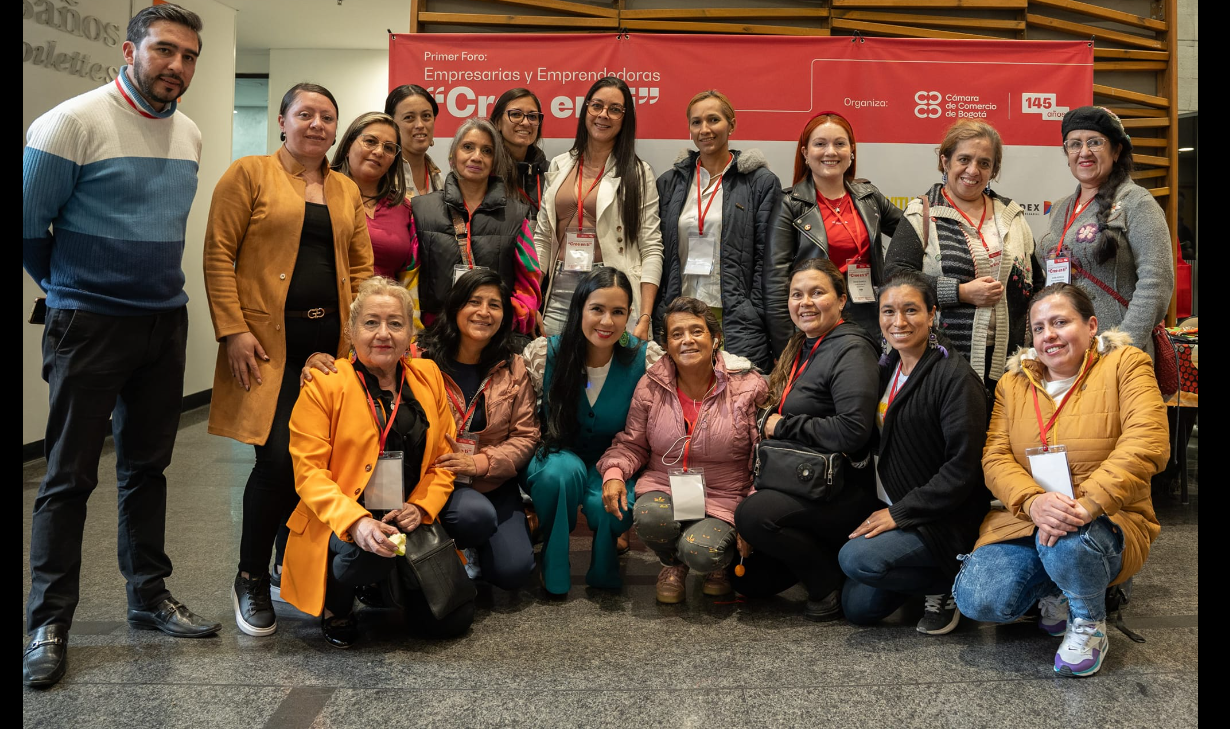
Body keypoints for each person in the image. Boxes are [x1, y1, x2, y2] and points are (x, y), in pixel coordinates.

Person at [22, 3, 220, 688]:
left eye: (189, 56)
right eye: (165, 50)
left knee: (147, 468)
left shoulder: (189, 132)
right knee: (68, 476)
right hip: (90, 323)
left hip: (163, 322)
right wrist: (71, 288)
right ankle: (48, 622)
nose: (177, 66)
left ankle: (148, 597)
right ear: (130, 48)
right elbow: (28, 227)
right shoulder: (72, 122)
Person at [203, 82, 373, 638]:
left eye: (327, 116)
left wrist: (366, 337)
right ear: (282, 121)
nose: (317, 125)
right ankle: (250, 575)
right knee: (277, 462)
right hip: (266, 349)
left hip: (332, 352)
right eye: (305, 114)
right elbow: (218, 253)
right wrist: (232, 331)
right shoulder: (248, 174)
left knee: (319, 466)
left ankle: (297, 566)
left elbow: (361, 269)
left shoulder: (346, 189)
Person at [954, 283, 1168, 676]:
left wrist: (1085, 505)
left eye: (1060, 322)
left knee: (1070, 544)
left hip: (1108, 516)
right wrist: (1034, 502)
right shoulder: (1012, 383)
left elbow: (1147, 442)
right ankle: (1060, 588)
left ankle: (1088, 621)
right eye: (1038, 328)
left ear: (1091, 326)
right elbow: (995, 457)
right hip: (1026, 517)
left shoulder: (1127, 365)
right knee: (979, 598)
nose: (1048, 335)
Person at [283, 277, 473, 647]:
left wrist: (421, 506)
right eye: (371, 322)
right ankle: (338, 606)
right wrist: (356, 523)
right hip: (344, 517)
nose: (383, 333)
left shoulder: (428, 376)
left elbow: (443, 460)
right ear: (352, 331)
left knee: (450, 623)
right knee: (364, 555)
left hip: (404, 510)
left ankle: (390, 585)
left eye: (395, 323)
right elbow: (309, 474)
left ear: (409, 335)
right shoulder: (325, 384)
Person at [321, 268, 538, 589]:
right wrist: (319, 361)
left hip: (490, 481)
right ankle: (421, 562)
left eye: (494, 305)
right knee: (469, 516)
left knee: (513, 572)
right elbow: (365, 365)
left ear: (505, 315)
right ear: (455, 307)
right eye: (474, 301)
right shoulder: (419, 356)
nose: (483, 312)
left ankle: (489, 541)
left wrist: (478, 464)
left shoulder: (512, 365)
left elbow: (526, 436)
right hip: (425, 479)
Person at [837, 273, 988, 634]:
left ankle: (949, 580)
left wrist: (900, 514)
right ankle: (921, 573)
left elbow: (962, 469)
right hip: (897, 504)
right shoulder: (888, 366)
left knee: (855, 559)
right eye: (888, 311)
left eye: (911, 310)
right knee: (856, 608)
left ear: (933, 314)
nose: (898, 322)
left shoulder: (954, 377)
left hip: (943, 519)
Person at [733, 258, 879, 621]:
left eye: (817, 293)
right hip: (798, 479)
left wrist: (782, 426)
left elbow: (852, 431)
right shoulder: (803, 345)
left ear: (842, 299)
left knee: (753, 517)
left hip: (841, 489)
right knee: (748, 582)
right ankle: (825, 558)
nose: (805, 303)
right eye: (797, 295)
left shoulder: (852, 349)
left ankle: (827, 583)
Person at [597, 297, 767, 603]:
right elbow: (632, 443)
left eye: (696, 331)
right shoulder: (650, 385)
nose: (686, 340)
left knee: (701, 551)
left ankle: (717, 564)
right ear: (666, 345)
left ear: (715, 339)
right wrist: (613, 472)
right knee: (648, 516)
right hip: (667, 486)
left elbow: (764, 460)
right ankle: (672, 565)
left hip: (726, 495)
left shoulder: (748, 387)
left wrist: (753, 515)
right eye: (676, 334)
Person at [522, 268, 665, 597]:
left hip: (616, 463)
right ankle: (553, 559)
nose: (607, 322)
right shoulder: (547, 354)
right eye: (597, 309)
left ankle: (605, 560)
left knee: (616, 503)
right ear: (579, 309)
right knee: (559, 473)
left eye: (618, 312)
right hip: (556, 457)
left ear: (629, 315)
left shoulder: (645, 360)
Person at [884, 119, 1042, 388]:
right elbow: (895, 279)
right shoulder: (922, 214)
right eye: (964, 159)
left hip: (1009, 364)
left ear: (994, 170)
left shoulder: (1011, 216)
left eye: (984, 163)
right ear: (945, 162)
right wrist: (961, 292)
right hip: (940, 363)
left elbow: (1034, 282)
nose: (973, 170)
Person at [655, 90, 783, 371]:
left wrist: (757, 311)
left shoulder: (759, 183)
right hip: (681, 311)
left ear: (732, 124)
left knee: (735, 400)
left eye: (714, 120)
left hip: (735, 316)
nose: (705, 129)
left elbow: (768, 259)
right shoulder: (670, 183)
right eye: (696, 122)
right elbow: (659, 253)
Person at [1036, 106, 1174, 359]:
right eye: (1074, 144)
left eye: (1095, 142)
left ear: (1116, 150)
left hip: (1117, 353)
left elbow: (1157, 282)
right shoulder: (1060, 208)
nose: (1084, 152)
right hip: (1063, 350)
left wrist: (1121, 347)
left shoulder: (1137, 202)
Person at [533, 77, 664, 340]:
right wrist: (533, 299)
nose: (604, 115)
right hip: (560, 289)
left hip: (611, 289)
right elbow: (542, 239)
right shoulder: (560, 165)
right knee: (557, 371)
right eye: (597, 106)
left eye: (615, 109)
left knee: (610, 375)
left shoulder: (638, 173)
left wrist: (644, 316)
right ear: (586, 110)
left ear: (625, 118)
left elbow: (651, 247)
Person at [765, 112, 903, 348]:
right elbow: (776, 281)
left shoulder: (869, 197)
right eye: (820, 144)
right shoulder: (790, 204)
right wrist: (787, 345)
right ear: (805, 153)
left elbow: (912, 233)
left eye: (839, 144)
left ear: (851, 151)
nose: (831, 152)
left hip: (869, 318)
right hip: (815, 320)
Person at [411, 118, 541, 337]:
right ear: (453, 156)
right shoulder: (422, 209)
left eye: (487, 151)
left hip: (494, 338)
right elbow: (409, 279)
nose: (476, 157)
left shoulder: (516, 214)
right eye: (468, 147)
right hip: (436, 337)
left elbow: (529, 282)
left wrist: (507, 318)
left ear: (494, 161)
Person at [492, 88, 550, 221]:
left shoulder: (551, 173)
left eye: (532, 116)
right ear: (498, 122)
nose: (525, 122)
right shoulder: (486, 170)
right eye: (516, 114)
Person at [385, 84, 443, 199]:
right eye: (409, 117)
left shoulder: (440, 180)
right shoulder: (382, 176)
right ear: (391, 124)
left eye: (426, 116)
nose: (420, 125)